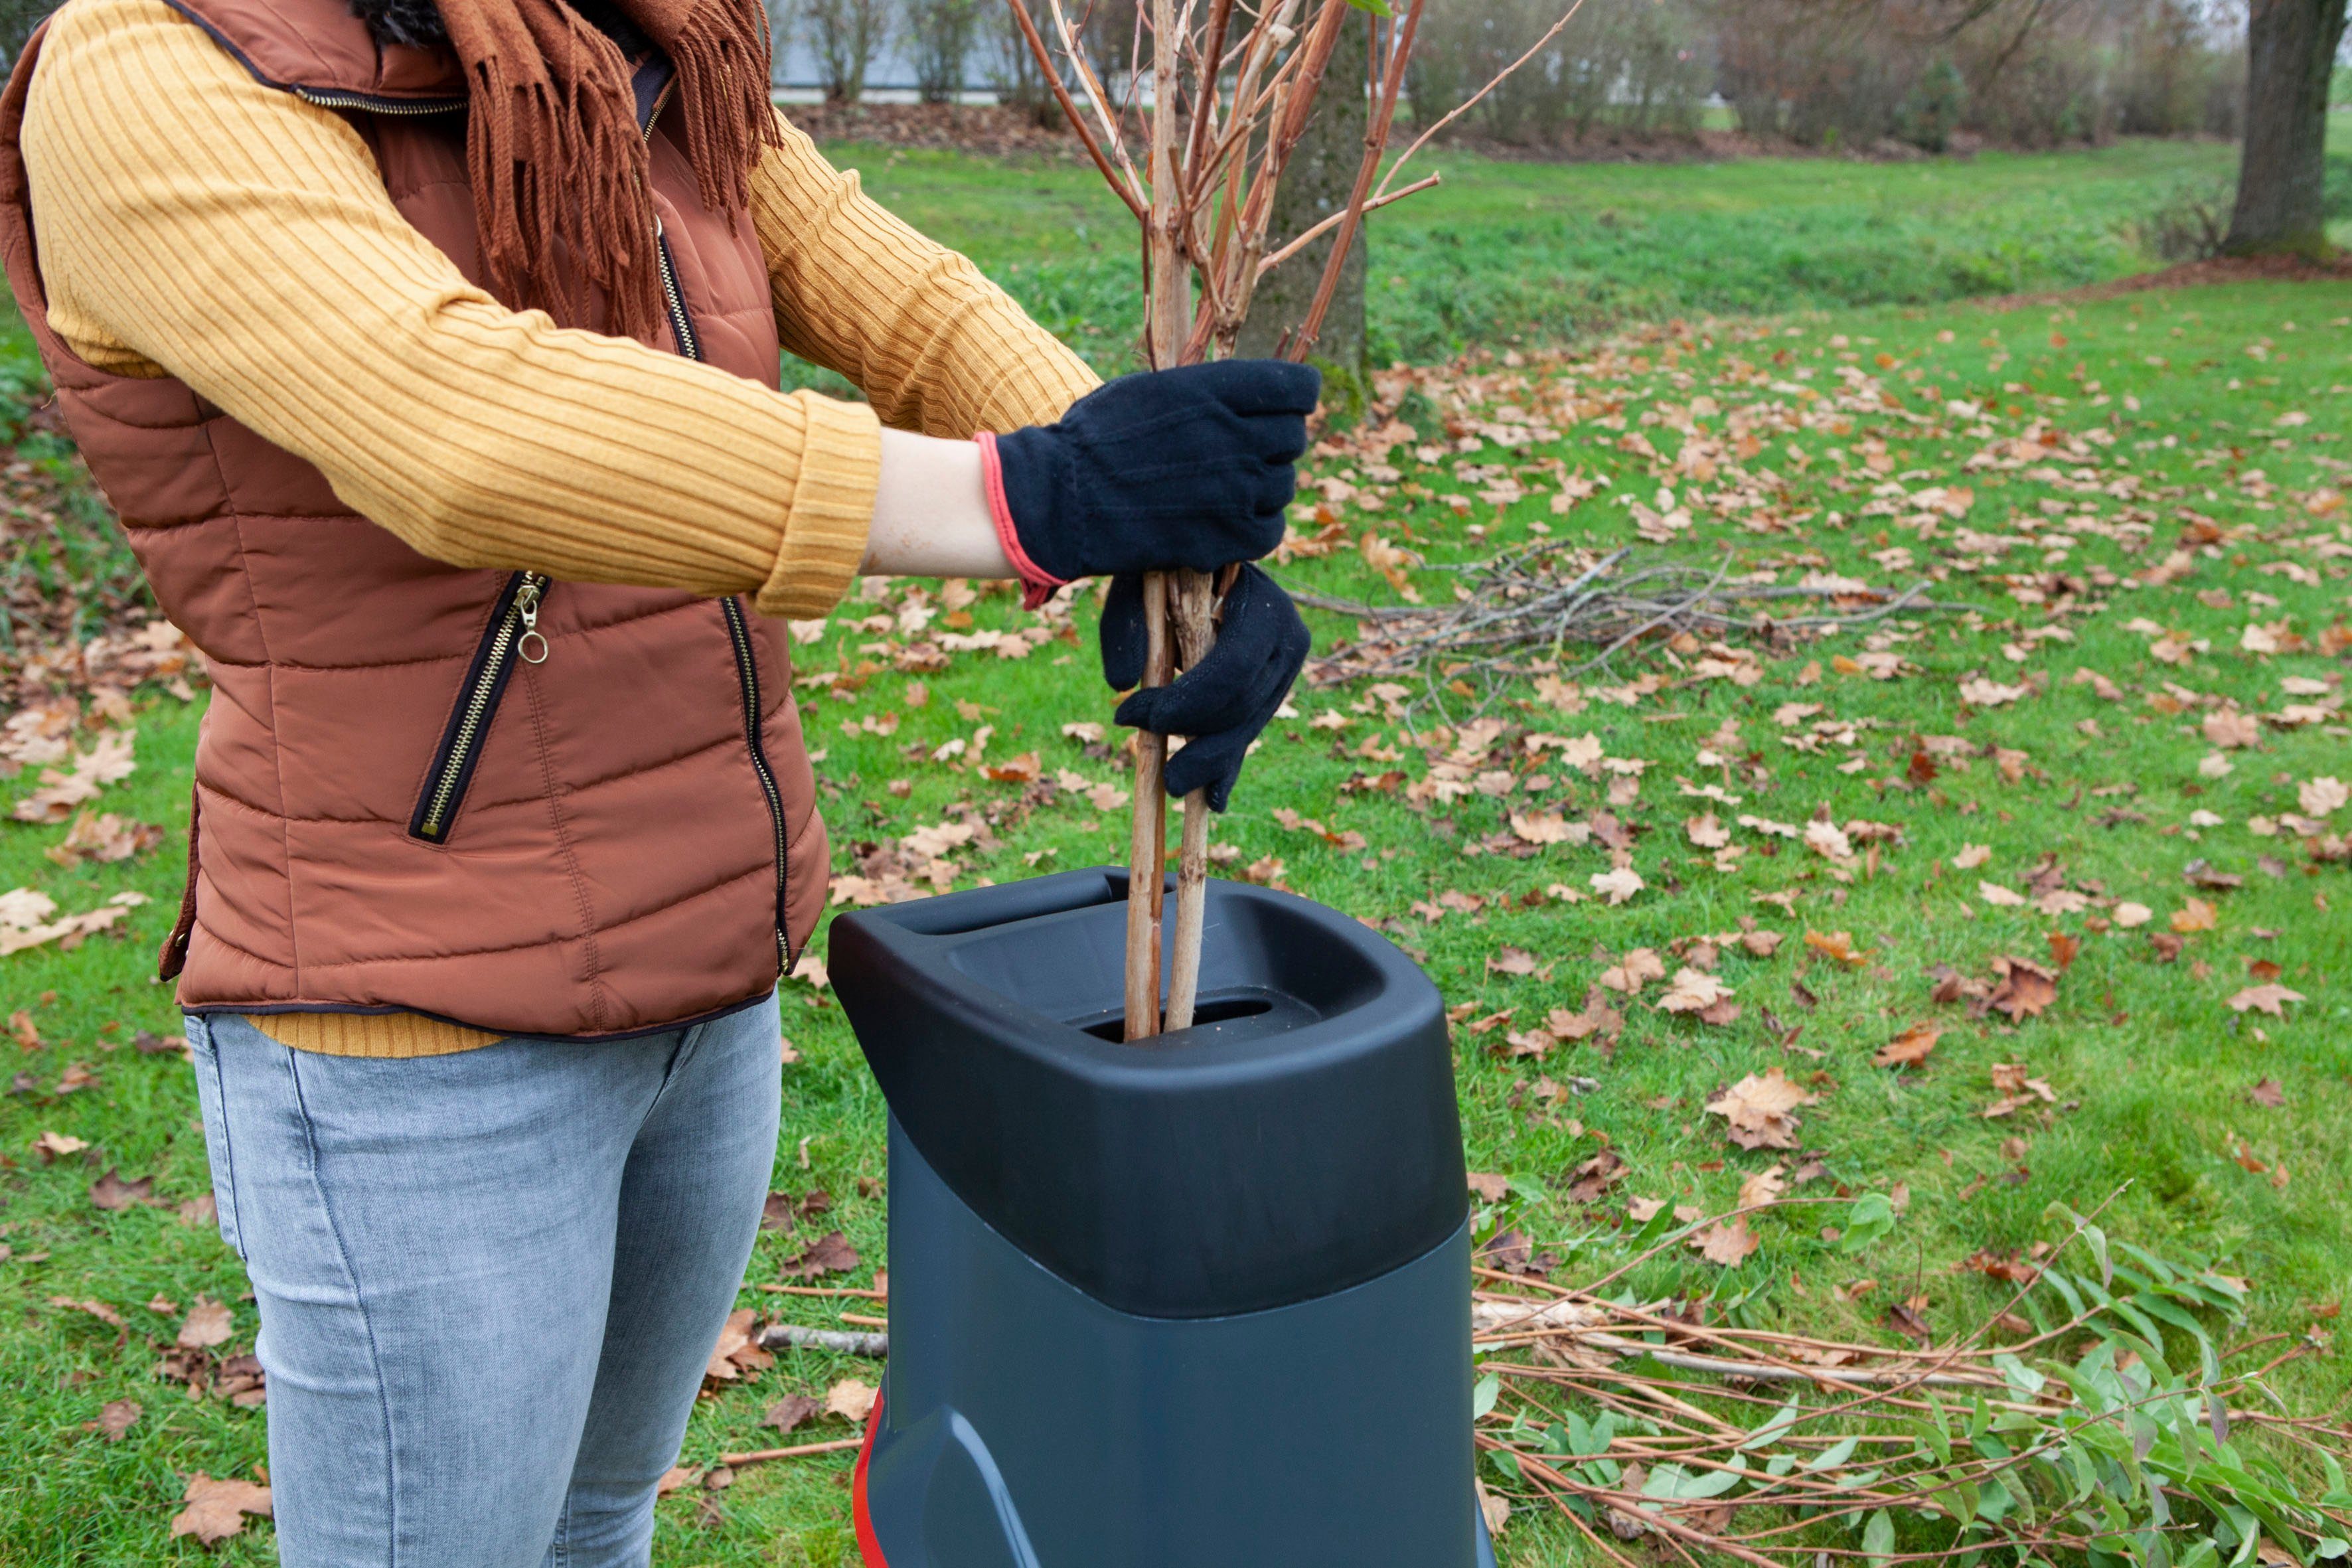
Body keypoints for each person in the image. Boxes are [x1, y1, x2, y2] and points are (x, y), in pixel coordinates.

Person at [0, 0, 1312, 1554]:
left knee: (601, 1519)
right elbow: (459, 422)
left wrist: (1161, 526)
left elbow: (901, 297)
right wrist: (1025, 500)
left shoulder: (635, 35)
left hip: (705, 974)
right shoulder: (150, 63)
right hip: (415, 1033)